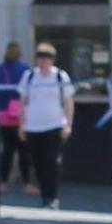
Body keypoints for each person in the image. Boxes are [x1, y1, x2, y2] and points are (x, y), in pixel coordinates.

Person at [12, 42, 76, 209]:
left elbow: (69, 102)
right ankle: (44, 195)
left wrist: (68, 124)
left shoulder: (60, 77)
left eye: (46, 58)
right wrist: (21, 125)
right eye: (39, 58)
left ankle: (52, 196)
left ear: (52, 60)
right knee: (38, 162)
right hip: (33, 127)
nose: (42, 62)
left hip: (54, 125)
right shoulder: (30, 76)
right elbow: (22, 101)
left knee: (52, 161)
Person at [0, 43, 28, 216]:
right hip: (19, 114)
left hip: (2, 114)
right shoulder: (24, 69)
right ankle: (27, 184)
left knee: (7, 150)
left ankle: (3, 182)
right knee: (23, 150)